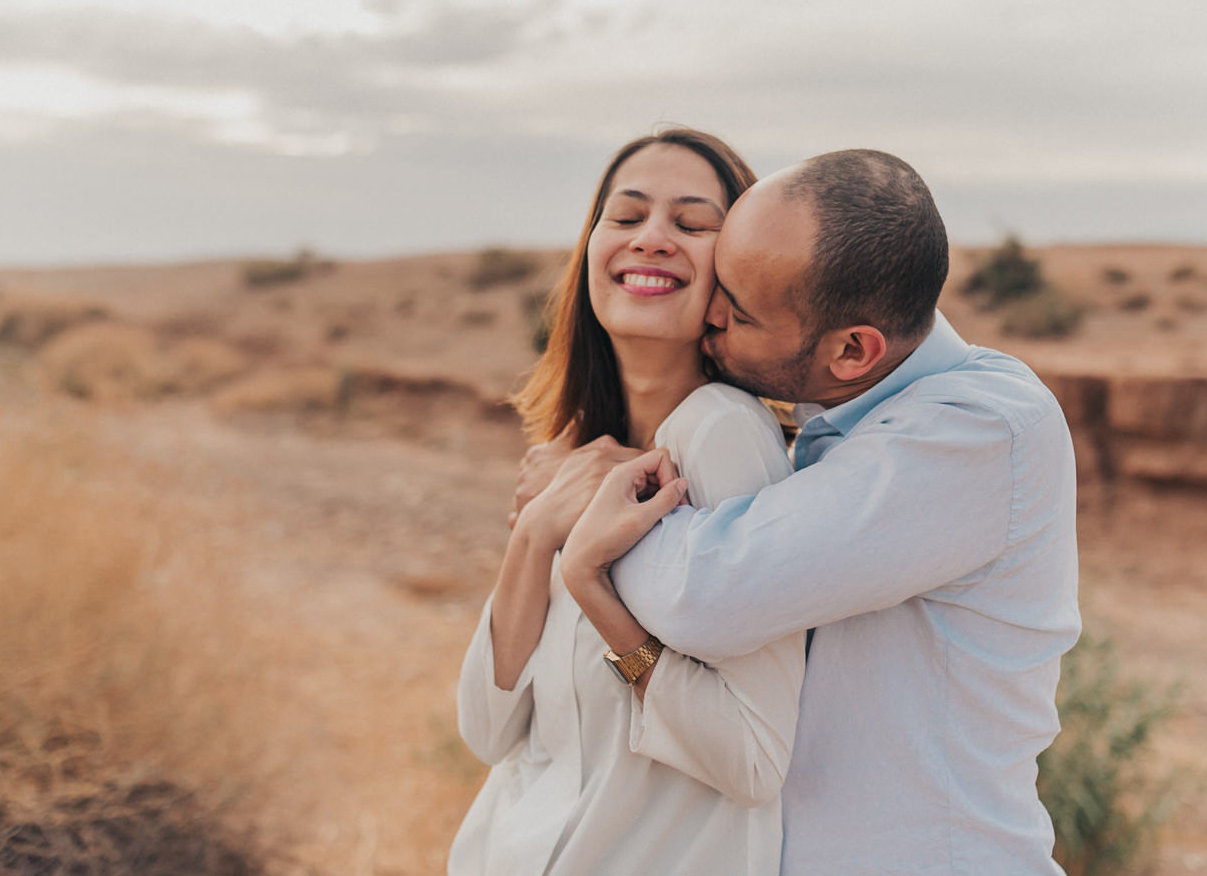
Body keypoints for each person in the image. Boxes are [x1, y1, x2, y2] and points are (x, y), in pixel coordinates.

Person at [552, 149, 1082, 876]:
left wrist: (588, 513)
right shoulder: (832, 412)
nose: (708, 311)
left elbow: (709, 590)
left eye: (735, 310)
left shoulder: (979, 429)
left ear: (852, 351)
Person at [449, 129, 806, 876]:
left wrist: (589, 578)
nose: (652, 239)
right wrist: (536, 535)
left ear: (738, 270)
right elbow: (489, 731)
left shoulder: (722, 438)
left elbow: (752, 762)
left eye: (692, 223)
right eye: (627, 215)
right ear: (591, 250)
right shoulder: (574, 454)